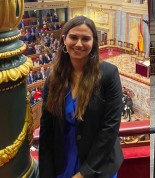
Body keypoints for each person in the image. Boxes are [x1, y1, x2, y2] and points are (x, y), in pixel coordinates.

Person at [39, 16, 124, 178]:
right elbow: (46, 129)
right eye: (73, 37)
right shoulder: (52, 76)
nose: (79, 44)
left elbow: (110, 129)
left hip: (98, 164)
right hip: (62, 161)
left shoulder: (109, 74)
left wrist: (84, 173)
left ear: (93, 43)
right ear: (64, 40)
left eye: (85, 39)